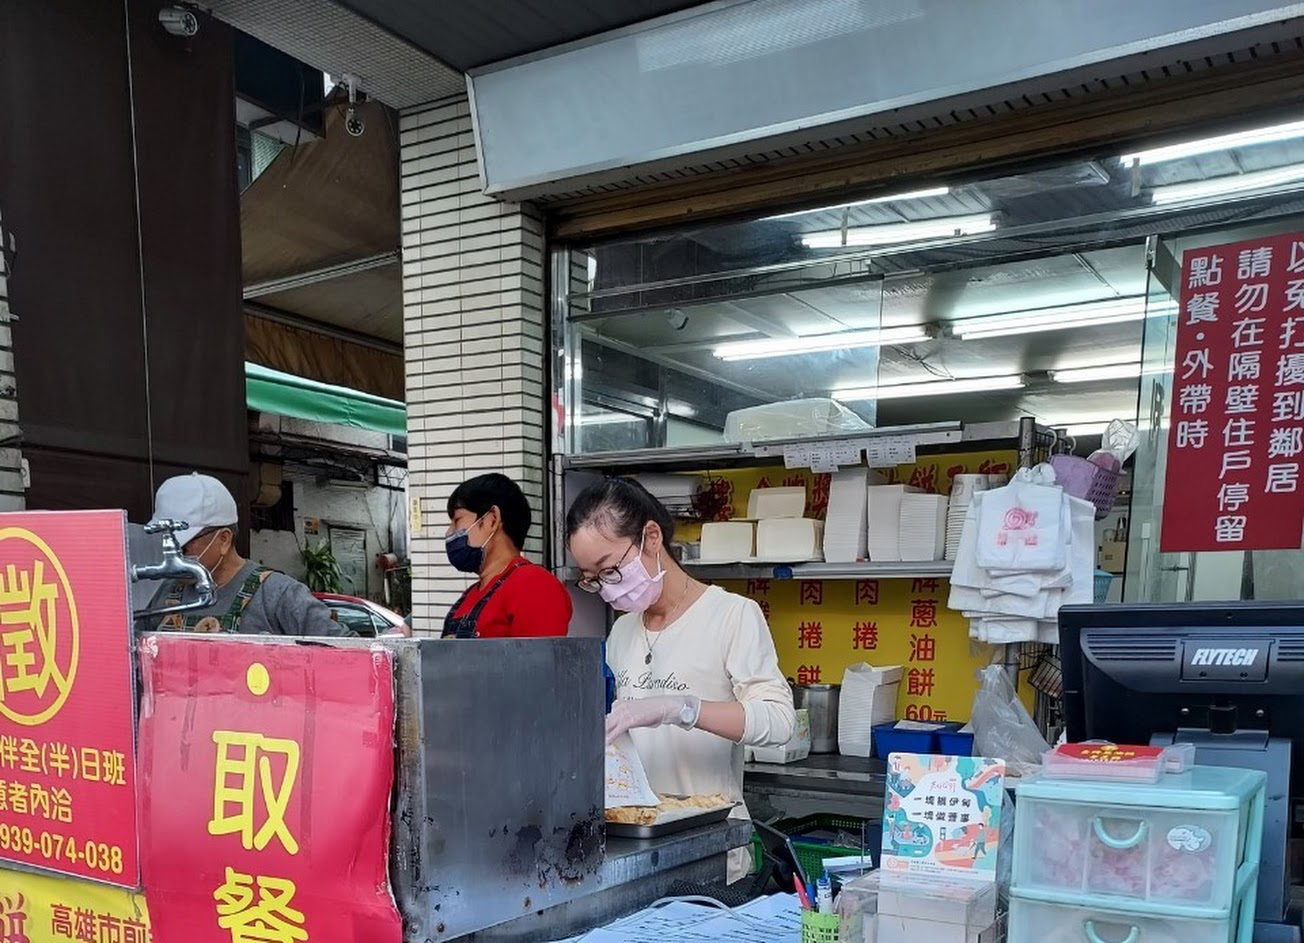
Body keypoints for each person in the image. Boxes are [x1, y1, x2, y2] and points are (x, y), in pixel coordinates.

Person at [566, 477, 795, 883]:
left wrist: (681, 708)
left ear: (651, 538)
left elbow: (778, 721)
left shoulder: (731, 615)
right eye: (593, 578)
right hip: (637, 850)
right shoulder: (623, 631)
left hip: (710, 852)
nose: (606, 590)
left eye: (610, 570)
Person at [135, 473, 353, 636]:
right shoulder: (165, 595)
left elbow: (349, 652)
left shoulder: (278, 595)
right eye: (166, 546)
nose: (173, 557)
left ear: (223, 539)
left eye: (183, 548)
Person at [442, 473, 572, 638]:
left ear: (492, 519)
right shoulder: (470, 594)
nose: (449, 532)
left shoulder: (534, 584)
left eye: (457, 520)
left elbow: (540, 654)